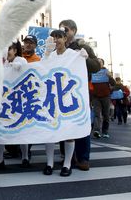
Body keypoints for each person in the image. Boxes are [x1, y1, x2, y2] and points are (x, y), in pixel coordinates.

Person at [41, 29, 88, 177]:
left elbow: (83, 66)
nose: (56, 41)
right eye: (53, 38)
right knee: (50, 132)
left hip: (68, 97)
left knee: (69, 132)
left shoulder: (73, 54)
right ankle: (49, 163)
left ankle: (67, 164)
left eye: (58, 37)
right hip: (51, 98)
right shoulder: (49, 55)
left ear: (65, 39)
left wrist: (84, 57)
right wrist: (47, 54)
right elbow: (40, 70)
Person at [59, 19, 100, 171]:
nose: (63, 32)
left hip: (80, 93)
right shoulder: (59, 48)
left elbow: (96, 66)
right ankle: (66, 156)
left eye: (66, 29)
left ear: (74, 31)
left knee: (81, 122)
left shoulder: (83, 46)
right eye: (61, 30)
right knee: (63, 122)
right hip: (62, 92)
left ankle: (83, 157)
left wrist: (85, 58)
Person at [0, 41, 28, 170]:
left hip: (18, 101)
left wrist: (20, 68)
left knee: (22, 131)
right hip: (3, 102)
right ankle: (0, 160)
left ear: (15, 50)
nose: (7, 51)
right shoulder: (3, 63)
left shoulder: (21, 60)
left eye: (10, 49)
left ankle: (25, 157)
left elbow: (28, 75)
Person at [91, 58, 115, 138]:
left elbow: (113, 83)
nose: (98, 63)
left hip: (106, 96)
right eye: (97, 62)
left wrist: (110, 76)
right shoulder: (92, 72)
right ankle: (97, 130)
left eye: (100, 62)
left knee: (106, 115)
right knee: (97, 114)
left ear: (102, 64)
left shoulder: (106, 72)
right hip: (96, 97)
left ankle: (105, 131)